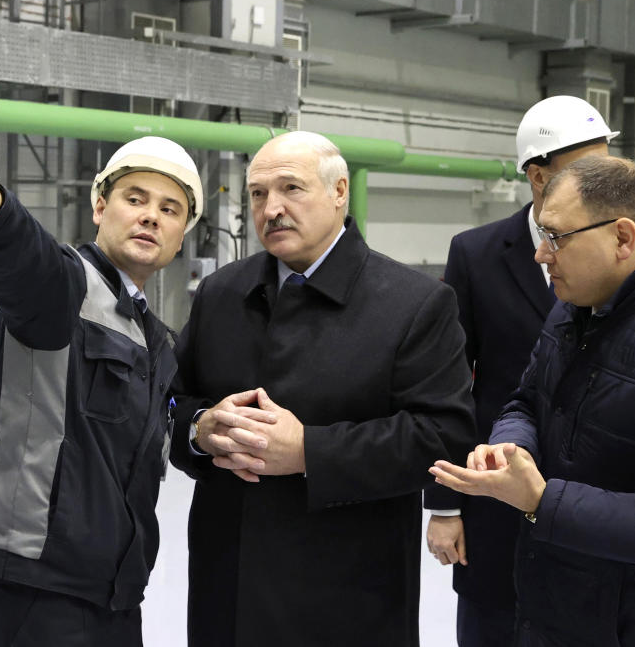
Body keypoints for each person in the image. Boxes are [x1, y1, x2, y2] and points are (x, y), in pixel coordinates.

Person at [430, 156, 635, 646]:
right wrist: (511, 447)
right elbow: (525, 400)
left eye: (558, 237)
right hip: (554, 609)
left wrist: (543, 500)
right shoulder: (572, 312)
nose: (542, 255)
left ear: (623, 238)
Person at [169, 130, 476, 647]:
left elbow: (444, 436)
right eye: (259, 194)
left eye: (292, 188)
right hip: (230, 581)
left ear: (339, 193)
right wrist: (202, 429)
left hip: (348, 589)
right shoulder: (222, 292)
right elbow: (171, 402)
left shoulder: (414, 304)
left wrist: (310, 451)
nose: (272, 209)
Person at [0, 136, 204, 646]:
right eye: (135, 199)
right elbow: (30, 267)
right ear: (100, 206)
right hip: (37, 592)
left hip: (116, 595)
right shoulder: (67, 289)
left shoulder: (157, 340)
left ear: (182, 234)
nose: (150, 217)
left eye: (170, 209)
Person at [423, 95, 616, 646]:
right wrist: (443, 504)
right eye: (588, 171)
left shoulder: (623, 250)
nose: (605, 183)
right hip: (498, 499)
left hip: (595, 502)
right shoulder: (478, 255)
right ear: (538, 176)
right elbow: (449, 383)